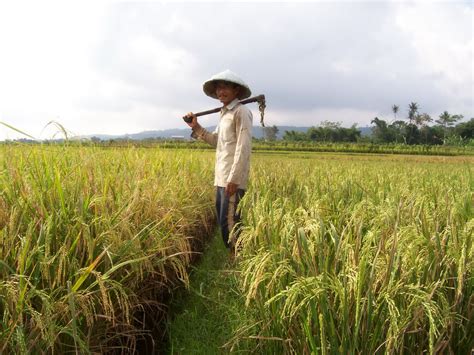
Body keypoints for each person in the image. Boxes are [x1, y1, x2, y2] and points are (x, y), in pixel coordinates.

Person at [184, 69, 253, 256]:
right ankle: (236, 257)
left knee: (230, 222)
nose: (220, 91)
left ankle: (238, 262)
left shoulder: (241, 112)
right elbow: (217, 141)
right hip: (221, 177)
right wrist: (196, 127)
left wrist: (234, 178)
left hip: (232, 179)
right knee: (224, 221)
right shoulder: (225, 114)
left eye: (225, 87)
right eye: (218, 88)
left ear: (236, 90)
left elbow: (243, 146)